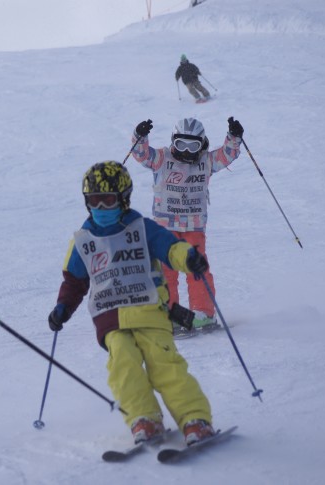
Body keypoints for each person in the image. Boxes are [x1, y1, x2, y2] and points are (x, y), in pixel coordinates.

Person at [47, 160, 217, 446]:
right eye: (94, 201)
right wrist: (62, 308)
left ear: (123, 199)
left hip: (149, 310)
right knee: (123, 369)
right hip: (110, 318)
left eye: (108, 200)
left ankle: (194, 419)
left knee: (166, 366)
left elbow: (171, 248)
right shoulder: (83, 240)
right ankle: (145, 419)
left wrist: (189, 258)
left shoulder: (142, 228)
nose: (101, 208)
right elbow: (74, 281)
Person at [131, 116, 244, 338]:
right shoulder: (162, 158)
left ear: (202, 144)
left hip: (193, 226)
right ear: (173, 141)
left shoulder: (206, 161)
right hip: (165, 226)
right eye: (181, 144)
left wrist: (234, 137)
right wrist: (140, 136)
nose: (187, 151)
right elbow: (141, 155)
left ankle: (203, 312)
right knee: (166, 270)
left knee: (196, 267)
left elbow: (228, 155)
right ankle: (168, 312)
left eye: (193, 146)